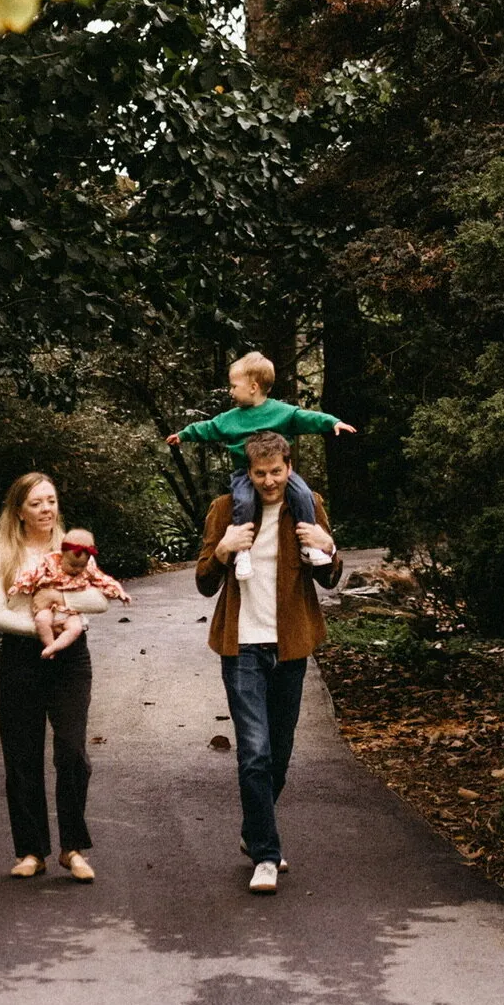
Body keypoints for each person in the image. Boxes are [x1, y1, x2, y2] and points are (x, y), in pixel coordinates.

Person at [195, 430, 341, 894]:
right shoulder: (225, 510)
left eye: (276, 472)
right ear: (249, 473)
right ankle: (265, 854)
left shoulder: (307, 505)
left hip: (291, 646)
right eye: (260, 474)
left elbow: (330, 579)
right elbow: (204, 582)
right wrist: (223, 550)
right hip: (242, 647)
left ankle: (253, 828)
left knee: (279, 753)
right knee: (254, 751)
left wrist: (328, 545)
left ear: (289, 467)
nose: (269, 481)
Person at [0, 473, 118, 881]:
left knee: (72, 751)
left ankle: (72, 848)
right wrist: (41, 627)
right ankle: (31, 851)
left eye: (51, 501)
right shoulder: (4, 550)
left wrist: (58, 600)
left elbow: (100, 599)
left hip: (71, 659)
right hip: (22, 657)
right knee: (21, 755)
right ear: (19, 511)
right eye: (36, 503)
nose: (46, 509)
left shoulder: (71, 545)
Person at [166, 352, 356, 581]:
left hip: (299, 587)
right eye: (261, 473)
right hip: (241, 475)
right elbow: (209, 427)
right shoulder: (230, 419)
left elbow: (307, 418)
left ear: (253, 387)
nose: (231, 391)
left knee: (304, 494)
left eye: (234, 386)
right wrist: (184, 434)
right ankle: (242, 551)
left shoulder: (281, 412)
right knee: (244, 500)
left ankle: (309, 545)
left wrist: (332, 422)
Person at [11, 527, 130, 658]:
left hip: (70, 611)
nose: (77, 570)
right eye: (73, 565)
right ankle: (50, 646)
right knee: (41, 620)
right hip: (49, 608)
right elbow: (33, 575)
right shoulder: (51, 562)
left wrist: (119, 592)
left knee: (76, 628)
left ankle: (55, 647)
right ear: (62, 554)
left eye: (81, 566)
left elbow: (104, 580)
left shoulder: (88, 570)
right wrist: (18, 585)